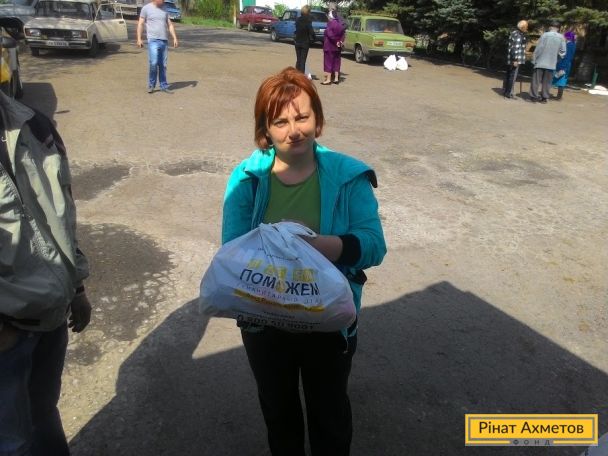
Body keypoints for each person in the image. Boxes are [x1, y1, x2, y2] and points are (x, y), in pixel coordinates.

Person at [222, 67, 386, 455]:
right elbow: (232, 252)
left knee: (330, 415)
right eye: (280, 122)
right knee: (279, 415)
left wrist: (324, 246)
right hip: (265, 321)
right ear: (265, 130)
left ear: (318, 120)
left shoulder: (348, 176)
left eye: (302, 117)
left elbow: (374, 245)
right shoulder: (247, 179)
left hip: (328, 321)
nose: (293, 130)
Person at [0, 91, 92, 456]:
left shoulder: (35, 126)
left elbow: (62, 216)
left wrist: (77, 288)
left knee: (43, 415)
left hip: (52, 318)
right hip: (7, 331)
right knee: (12, 443)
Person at [136, 0, 179, 94]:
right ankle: (151, 85)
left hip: (164, 41)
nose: (163, 1)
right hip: (153, 40)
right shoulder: (146, 8)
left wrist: (175, 38)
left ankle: (163, 85)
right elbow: (141, 23)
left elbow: (170, 24)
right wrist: (139, 38)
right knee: (154, 62)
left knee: (163, 65)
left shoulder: (165, 9)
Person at [530, 20, 566, 103]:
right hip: (551, 63)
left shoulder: (545, 35)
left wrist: (534, 59)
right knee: (547, 82)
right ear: (558, 28)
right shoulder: (561, 38)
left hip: (540, 61)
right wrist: (556, 59)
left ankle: (534, 97)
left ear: (551, 27)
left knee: (536, 80)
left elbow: (538, 48)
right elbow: (563, 52)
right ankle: (544, 98)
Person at [503, 19, 528, 99]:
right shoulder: (518, 35)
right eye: (526, 26)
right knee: (512, 76)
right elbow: (515, 48)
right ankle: (509, 93)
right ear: (523, 27)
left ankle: (506, 91)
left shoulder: (514, 33)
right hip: (515, 58)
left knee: (509, 75)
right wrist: (515, 60)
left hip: (511, 57)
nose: (527, 28)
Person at [321, 9, 346, 85]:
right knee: (337, 62)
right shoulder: (340, 24)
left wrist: (336, 41)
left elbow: (330, 35)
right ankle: (336, 78)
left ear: (331, 16)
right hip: (338, 47)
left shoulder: (330, 24)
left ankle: (328, 79)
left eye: (329, 15)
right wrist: (340, 41)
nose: (328, 17)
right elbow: (343, 34)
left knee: (328, 62)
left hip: (329, 46)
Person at [552, 30, 576, 100]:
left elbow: (567, 57)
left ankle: (559, 97)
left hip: (564, 64)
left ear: (567, 37)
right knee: (561, 80)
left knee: (561, 81)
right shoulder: (571, 44)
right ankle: (559, 96)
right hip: (565, 64)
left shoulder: (569, 45)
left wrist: (563, 67)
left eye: (564, 36)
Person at [294, 5, 315, 75]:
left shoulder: (297, 19)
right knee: (303, 61)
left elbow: (297, 29)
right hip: (305, 42)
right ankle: (301, 76)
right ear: (308, 12)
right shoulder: (308, 20)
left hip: (297, 41)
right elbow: (311, 31)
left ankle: (295, 74)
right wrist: (314, 38)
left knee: (298, 60)